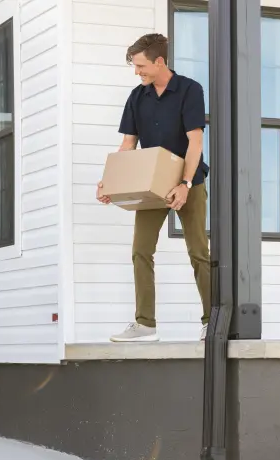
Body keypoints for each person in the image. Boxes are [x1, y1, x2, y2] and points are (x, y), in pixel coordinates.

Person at [97, 33, 210, 343]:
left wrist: (185, 184)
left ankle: (210, 321)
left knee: (199, 252)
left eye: (141, 66)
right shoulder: (137, 97)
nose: (138, 72)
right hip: (152, 183)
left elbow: (195, 141)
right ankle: (145, 325)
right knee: (141, 251)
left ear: (159, 61)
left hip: (190, 181)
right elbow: (128, 144)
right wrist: (112, 182)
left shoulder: (189, 90)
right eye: (135, 67)